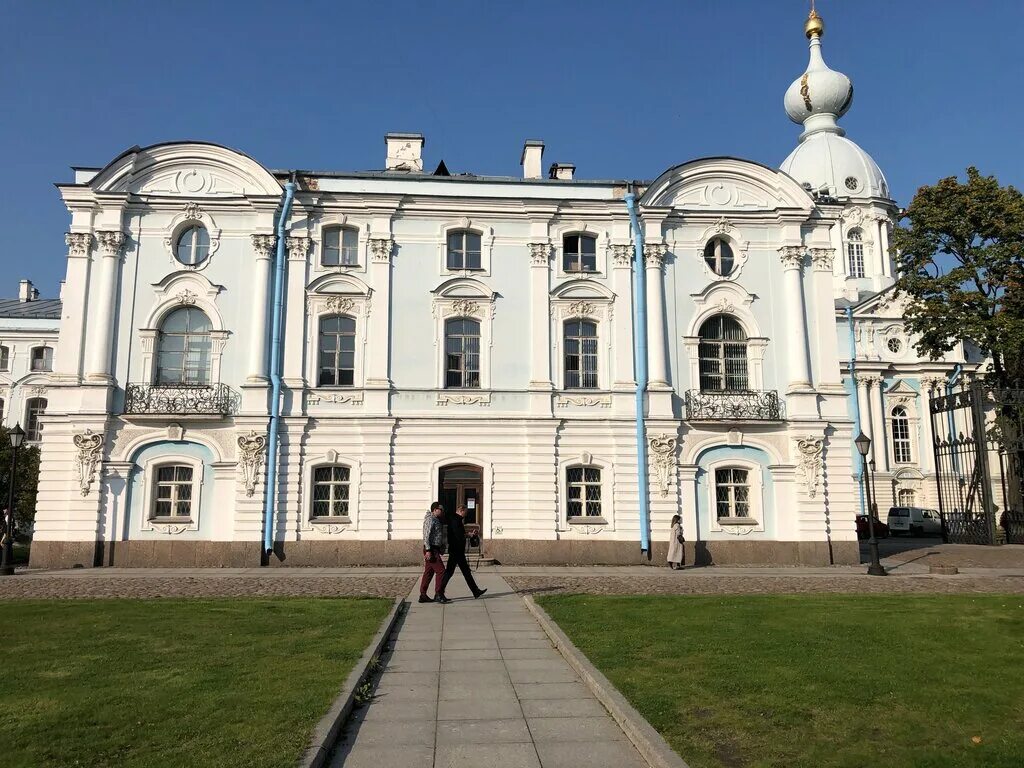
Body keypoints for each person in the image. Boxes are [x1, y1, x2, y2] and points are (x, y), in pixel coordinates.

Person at [438, 505, 487, 600]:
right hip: (456, 550)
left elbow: (460, 534)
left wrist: (469, 535)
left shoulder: (456, 519)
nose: (466, 514)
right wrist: (468, 535)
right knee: (449, 572)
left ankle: (475, 591)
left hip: (457, 550)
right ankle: (440, 591)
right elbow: (458, 535)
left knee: (465, 572)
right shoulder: (455, 520)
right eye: (466, 512)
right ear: (461, 511)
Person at [420, 502, 449, 603]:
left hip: (434, 548)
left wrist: (441, 547)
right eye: (441, 509)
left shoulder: (436, 520)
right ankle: (438, 594)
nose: (442, 511)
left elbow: (437, 536)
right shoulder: (430, 519)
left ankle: (423, 595)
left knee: (429, 572)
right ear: (435, 509)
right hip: (431, 549)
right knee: (441, 571)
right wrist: (428, 550)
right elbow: (426, 536)